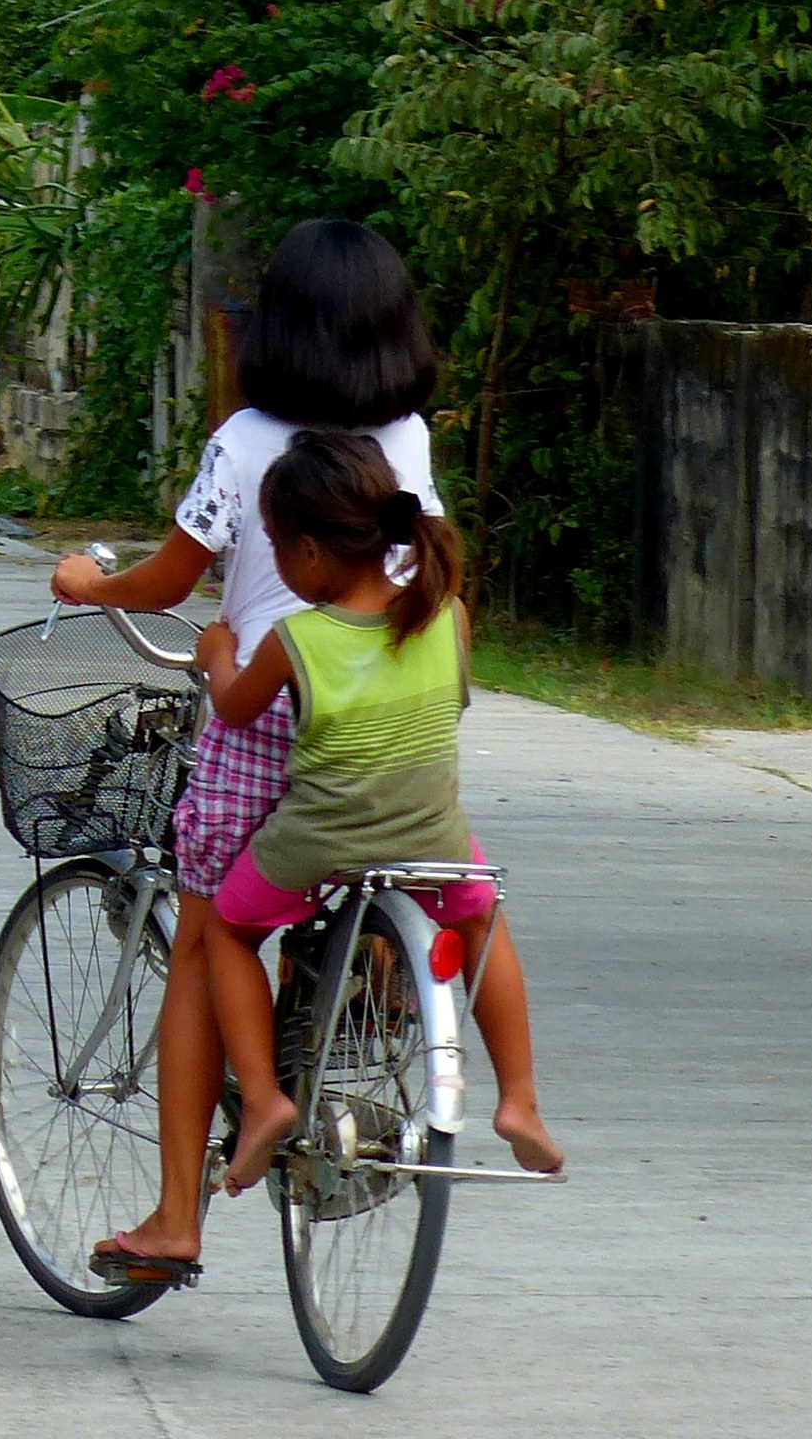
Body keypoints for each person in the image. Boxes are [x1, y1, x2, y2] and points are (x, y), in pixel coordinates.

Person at [47, 219, 557, 1284]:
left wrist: (93, 586)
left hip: (271, 712)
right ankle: (369, 993)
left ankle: (178, 1215)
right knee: (401, 869)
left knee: (204, 940)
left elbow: (170, 582)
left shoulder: (242, 441)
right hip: (392, 730)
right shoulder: (408, 437)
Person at [184, 429, 544, 1197]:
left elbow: (235, 708)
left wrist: (216, 651)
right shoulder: (447, 615)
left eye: (277, 547)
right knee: (480, 920)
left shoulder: (295, 639)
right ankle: (519, 1102)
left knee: (226, 929)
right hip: (430, 837)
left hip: (318, 845)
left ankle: (264, 1102)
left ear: (308, 554)